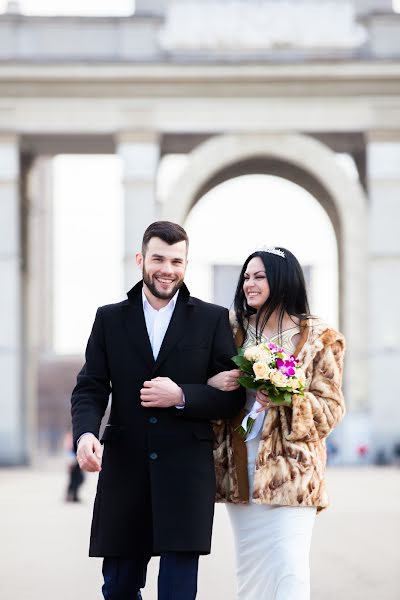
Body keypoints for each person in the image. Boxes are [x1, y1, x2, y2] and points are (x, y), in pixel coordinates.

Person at [71, 221, 245, 600]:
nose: (167, 269)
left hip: (185, 475)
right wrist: (85, 434)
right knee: (117, 588)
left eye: (176, 261)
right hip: (125, 471)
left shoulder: (213, 318)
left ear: (186, 264)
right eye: (159, 259)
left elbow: (232, 397)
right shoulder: (109, 318)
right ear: (141, 260)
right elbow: (90, 387)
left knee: (177, 592)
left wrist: (182, 395)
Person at [209, 247, 345, 600]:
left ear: (282, 280)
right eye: (246, 276)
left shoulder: (320, 338)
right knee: (251, 574)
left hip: (294, 474)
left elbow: (330, 409)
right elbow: (207, 388)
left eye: (259, 276)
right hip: (240, 470)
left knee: (289, 569)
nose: (248, 284)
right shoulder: (229, 330)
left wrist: (288, 395)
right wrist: (215, 383)